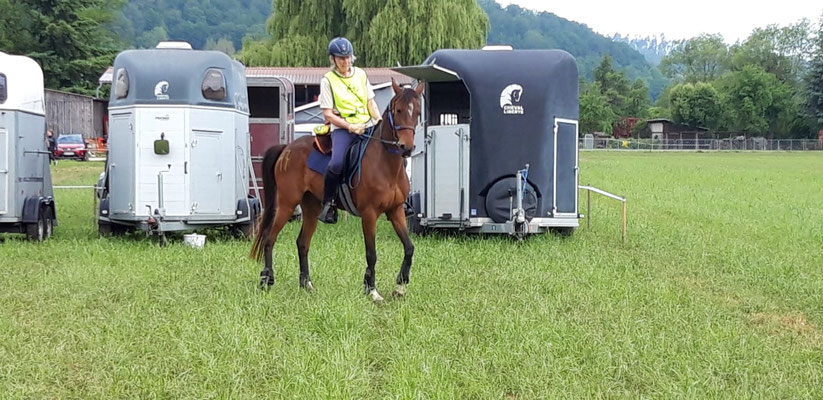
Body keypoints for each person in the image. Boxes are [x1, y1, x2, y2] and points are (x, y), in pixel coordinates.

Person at [317, 37, 382, 223]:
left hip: (367, 125)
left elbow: (370, 102)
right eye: (340, 58)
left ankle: (400, 199)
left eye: (347, 57)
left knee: (393, 151)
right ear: (333, 59)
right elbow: (328, 114)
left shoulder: (361, 74)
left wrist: (379, 120)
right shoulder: (327, 81)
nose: (345, 62)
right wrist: (350, 126)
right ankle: (328, 204)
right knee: (336, 163)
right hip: (343, 129)